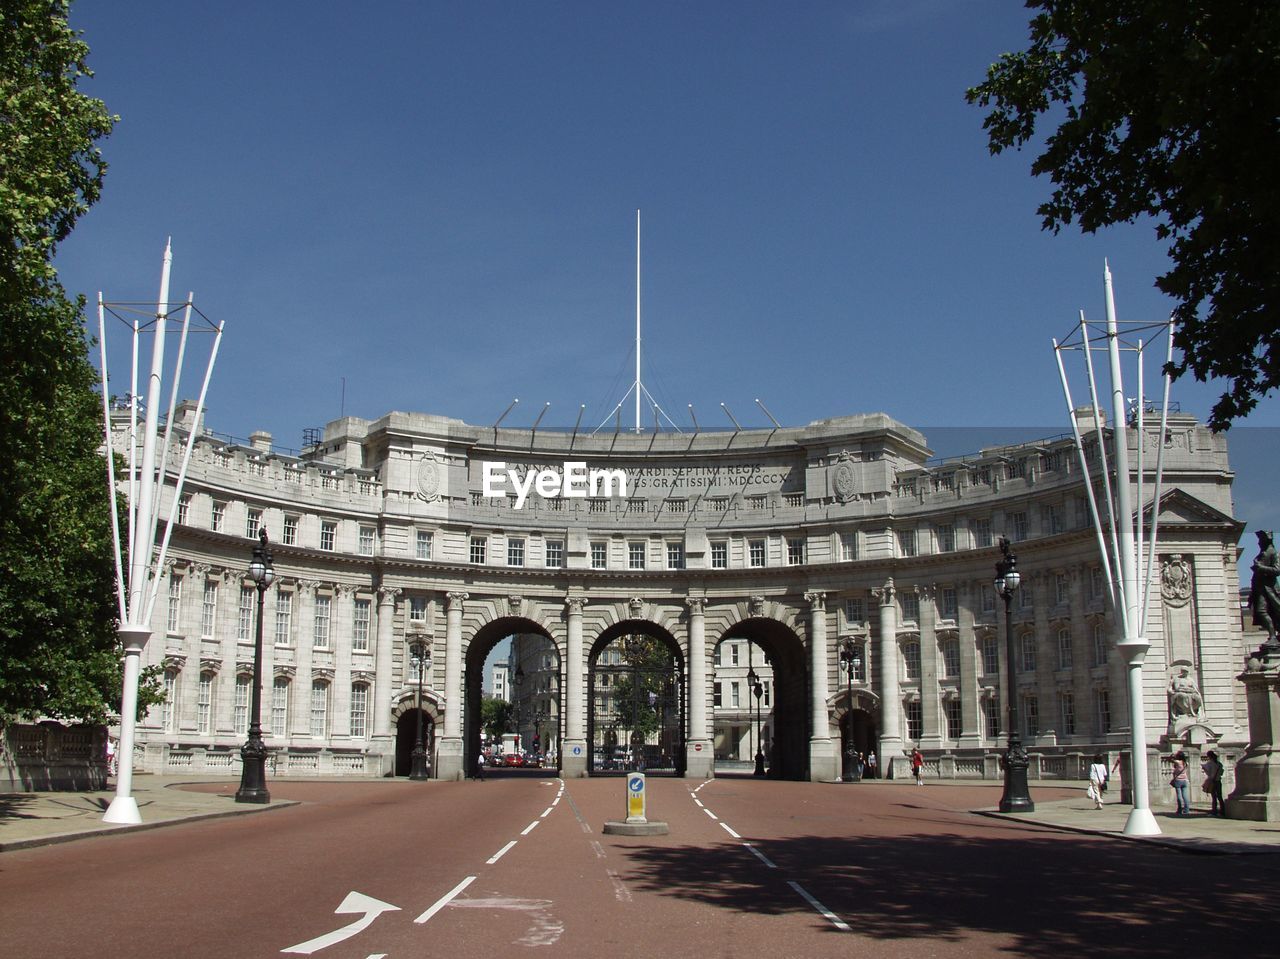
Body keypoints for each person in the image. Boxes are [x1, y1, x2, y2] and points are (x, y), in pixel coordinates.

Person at [1250, 530, 1280, 645]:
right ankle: (1272, 635)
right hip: (1260, 587)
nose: (1258, 543)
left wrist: (1260, 567)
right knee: (1260, 611)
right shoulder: (1263, 553)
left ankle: (1273, 636)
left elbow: (1277, 570)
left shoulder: (1273, 552)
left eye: (1260, 540)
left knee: (1268, 611)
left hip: (1270, 588)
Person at [1201, 750, 1225, 816]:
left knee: (1214, 797)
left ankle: (1214, 811)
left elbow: (1208, 773)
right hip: (1218, 781)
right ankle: (1222, 811)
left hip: (1212, 781)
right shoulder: (1219, 764)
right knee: (1220, 797)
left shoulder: (1210, 763)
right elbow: (1221, 773)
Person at [1170, 751, 1190, 816]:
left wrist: (1173, 755)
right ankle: (1186, 809)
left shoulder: (1178, 762)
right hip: (1185, 780)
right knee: (1185, 796)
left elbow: (1171, 759)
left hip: (1178, 780)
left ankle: (1179, 809)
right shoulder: (1186, 763)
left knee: (1179, 795)